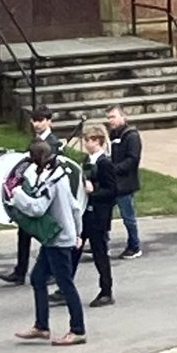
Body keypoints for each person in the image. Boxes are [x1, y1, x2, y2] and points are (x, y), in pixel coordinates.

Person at [11, 140, 86, 346]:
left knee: (65, 284)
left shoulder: (51, 181)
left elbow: (37, 208)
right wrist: (78, 233)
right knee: (37, 278)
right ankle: (41, 326)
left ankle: (78, 330)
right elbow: (75, 207)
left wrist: (16, 195)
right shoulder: (60, 176)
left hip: (58, 241)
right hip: (57, 238)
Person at [0, 106, 63, 284]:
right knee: (24, 232)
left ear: (49, 121)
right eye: (34, 120)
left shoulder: (54, 143)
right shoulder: (33, 141)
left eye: (41, 120)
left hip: (44, 192)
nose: (37, 124)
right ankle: (20, 271)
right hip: (31, 189)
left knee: (45, 232)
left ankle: (51, 271)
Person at [77, 124, 117, 307]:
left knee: (100, 253)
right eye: (86, 140)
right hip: (86, 213)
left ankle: (106, 291)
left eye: (89, 140)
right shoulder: (88, 160)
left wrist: (94, 192)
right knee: (74, 250)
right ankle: (64, 288)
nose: (86, 144)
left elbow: (112, 191)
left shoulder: (105, 163)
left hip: (99, 216)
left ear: (98, 141)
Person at [106, 104, 143, 259]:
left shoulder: (132, 136)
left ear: (123, 117)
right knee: (104, 213)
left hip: (125, 184)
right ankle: (101, 242)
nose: (110, 121)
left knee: (128, 217)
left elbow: (133, 160)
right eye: (108, 118)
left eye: (113, 117)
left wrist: (113, 169)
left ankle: (134, 245)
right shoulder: (112, 135)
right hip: (112, 183)